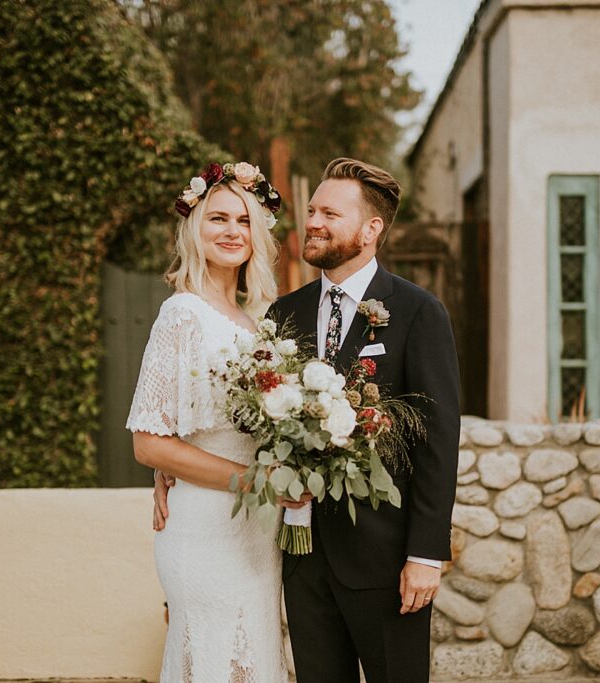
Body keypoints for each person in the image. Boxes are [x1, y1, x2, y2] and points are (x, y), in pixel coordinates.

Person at [155, 157, 461, 682]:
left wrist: (426, 555)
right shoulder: (281, 314)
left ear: (371, 229)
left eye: (330, 214)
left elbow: (437, 441)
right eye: (312, 209)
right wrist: (169, 464)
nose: (313, 222)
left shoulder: (417, 311)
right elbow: (245, 419)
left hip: (383, 560)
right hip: (299, 558)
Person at [127, 161, 288, 682]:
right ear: (195, 228)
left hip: (258, 532)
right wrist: (254, 481)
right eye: (218, 218)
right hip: (205, 527)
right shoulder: (181, 314)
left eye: (244, 221)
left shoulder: (259, 321)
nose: (232, 232)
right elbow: (149, 444)